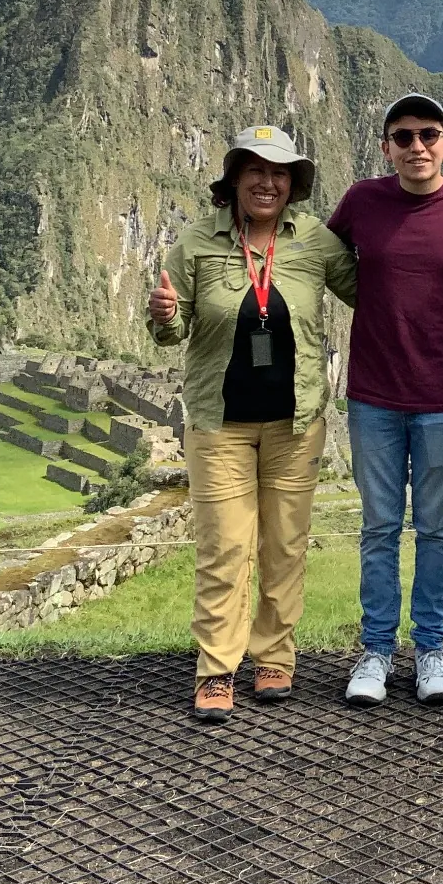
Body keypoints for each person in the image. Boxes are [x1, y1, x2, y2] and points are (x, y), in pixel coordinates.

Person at [148, 125, 357, 723]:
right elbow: (172, 330)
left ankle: (275, 659)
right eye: (255, 170)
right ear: (234, 179)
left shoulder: (313, 240)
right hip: (220, 424)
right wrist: (161, 314)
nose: (268, 182)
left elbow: (371, 292)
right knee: (224, 547)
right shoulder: (195, 244)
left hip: (295, 425)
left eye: (280, 172)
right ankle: (216, 668)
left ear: (293, 184)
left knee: (285, 546)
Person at [327, 93, 443, 709]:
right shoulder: (362, 203)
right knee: (379, 526)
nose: (416, 146)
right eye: (403, 136)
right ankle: (374, 651)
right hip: (373, 395)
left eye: (428, 134)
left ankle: (430, 651)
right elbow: (318, 256)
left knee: (437, 527)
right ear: (386, 147)